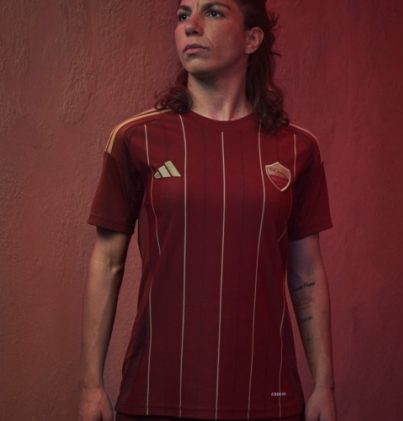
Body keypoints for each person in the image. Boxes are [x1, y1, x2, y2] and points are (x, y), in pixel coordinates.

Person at [78, 1, 337, 421]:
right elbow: (107, 263)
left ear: (252, 39)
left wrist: (324, 385)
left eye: (213, 12)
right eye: (184, 15)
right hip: (155, 397)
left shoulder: (297, 148)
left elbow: (306, 274)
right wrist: (91, 385)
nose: (191, 26)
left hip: (267, 399)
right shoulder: (135, 138)